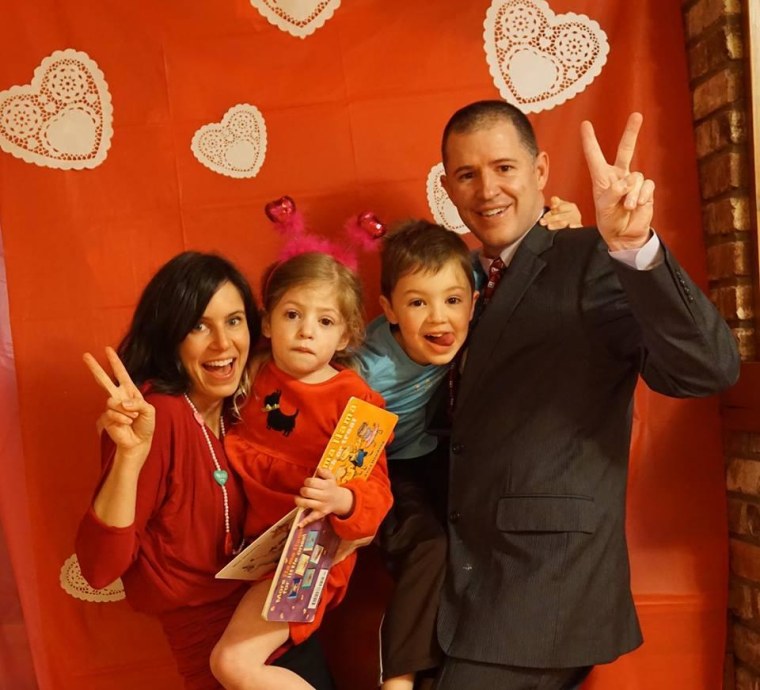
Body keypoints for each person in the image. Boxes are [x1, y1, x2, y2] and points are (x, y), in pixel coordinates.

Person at [430, 100, 740, 689]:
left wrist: (636, 247)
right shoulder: (456, 278)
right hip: (464, 585)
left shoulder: (593, 257)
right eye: (467, 174)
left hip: (545, 587)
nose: (487, 189)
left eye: (504, 168)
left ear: (540, 170)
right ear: (448, 185)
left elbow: (706, 370)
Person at [75, 251, 336, 690]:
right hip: (219, 664)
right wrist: (130, 458)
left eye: (234, 321)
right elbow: (100, 569)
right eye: (199, 326)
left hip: (286, 634)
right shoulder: (158, 415)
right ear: (170, 337)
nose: (222, 343)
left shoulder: (250, 403)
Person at [356, 208, 582, 690]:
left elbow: (508, 260)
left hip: (434, 453)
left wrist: (557, 224)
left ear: (475, 301)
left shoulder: (472, 294)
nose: (439, 317)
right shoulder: (365, 370)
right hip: (381, 470)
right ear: (389, 309)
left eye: (453, 300)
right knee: (431, 547)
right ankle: (397, 679)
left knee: (481, 530)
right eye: (417, 304)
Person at [210, 251, 394, 690]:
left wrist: (342, 499)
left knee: (232, 664)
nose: (307, 331)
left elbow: (377, 493)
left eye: (325, 322)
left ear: (347, 336)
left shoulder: (355, 403)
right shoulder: (251, 374)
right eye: (293, 314)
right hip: (254, 553)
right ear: (269, 322)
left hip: (310, 560)